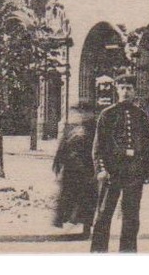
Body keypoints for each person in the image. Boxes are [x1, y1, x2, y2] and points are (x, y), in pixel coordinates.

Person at [90, 76, 149, 253]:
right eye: (122, 88)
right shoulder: (107, 114)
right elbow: (98, 146)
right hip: (112, 172)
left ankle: (128, 253)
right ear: (117, 90)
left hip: (134, 173)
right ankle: (98, 253)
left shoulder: (141, 116)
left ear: (134, 91)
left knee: (131, 217)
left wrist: (148, 170)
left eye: (129, 88)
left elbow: (146, 146)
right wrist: (101, 169)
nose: (126, 91)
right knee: (104, 214)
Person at [52, 99, 99, 236]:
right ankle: (64, 221)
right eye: (78, 111)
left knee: (88, 198)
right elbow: (63, 146)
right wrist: (57, 162)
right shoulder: (70, 127)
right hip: (71, 168)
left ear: (91, 113)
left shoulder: (95, 128)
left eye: (85, 112)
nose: (81, 115)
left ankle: (86, 227)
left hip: (88, 167)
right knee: (67, 196)